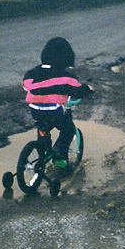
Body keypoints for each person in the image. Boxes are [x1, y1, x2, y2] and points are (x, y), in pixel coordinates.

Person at [23, 37, 94, 169]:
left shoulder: (31, 73)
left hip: (35, 110)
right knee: (68, 130)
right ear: (66, 58)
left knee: (43, 127)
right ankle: (60, 156)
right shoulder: (67, 77)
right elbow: (77, 92)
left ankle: (43, 147)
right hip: (55, 110)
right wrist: (88, 89)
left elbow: (27, 86)